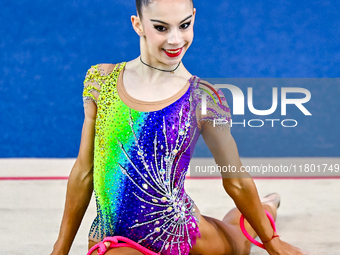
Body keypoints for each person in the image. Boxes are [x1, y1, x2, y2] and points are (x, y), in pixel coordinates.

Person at [50, 0, 312, 254]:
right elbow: (84, 172)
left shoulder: (202, 98)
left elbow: (236, 180)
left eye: (184, 25)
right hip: (116, 241)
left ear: (194, 17)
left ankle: (266, 208)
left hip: (179, 234)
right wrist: (59, 250)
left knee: (238, 244)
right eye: (161, 28)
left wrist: (273, 241)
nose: (175, 40)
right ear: (138, 24)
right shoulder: (103, 82)